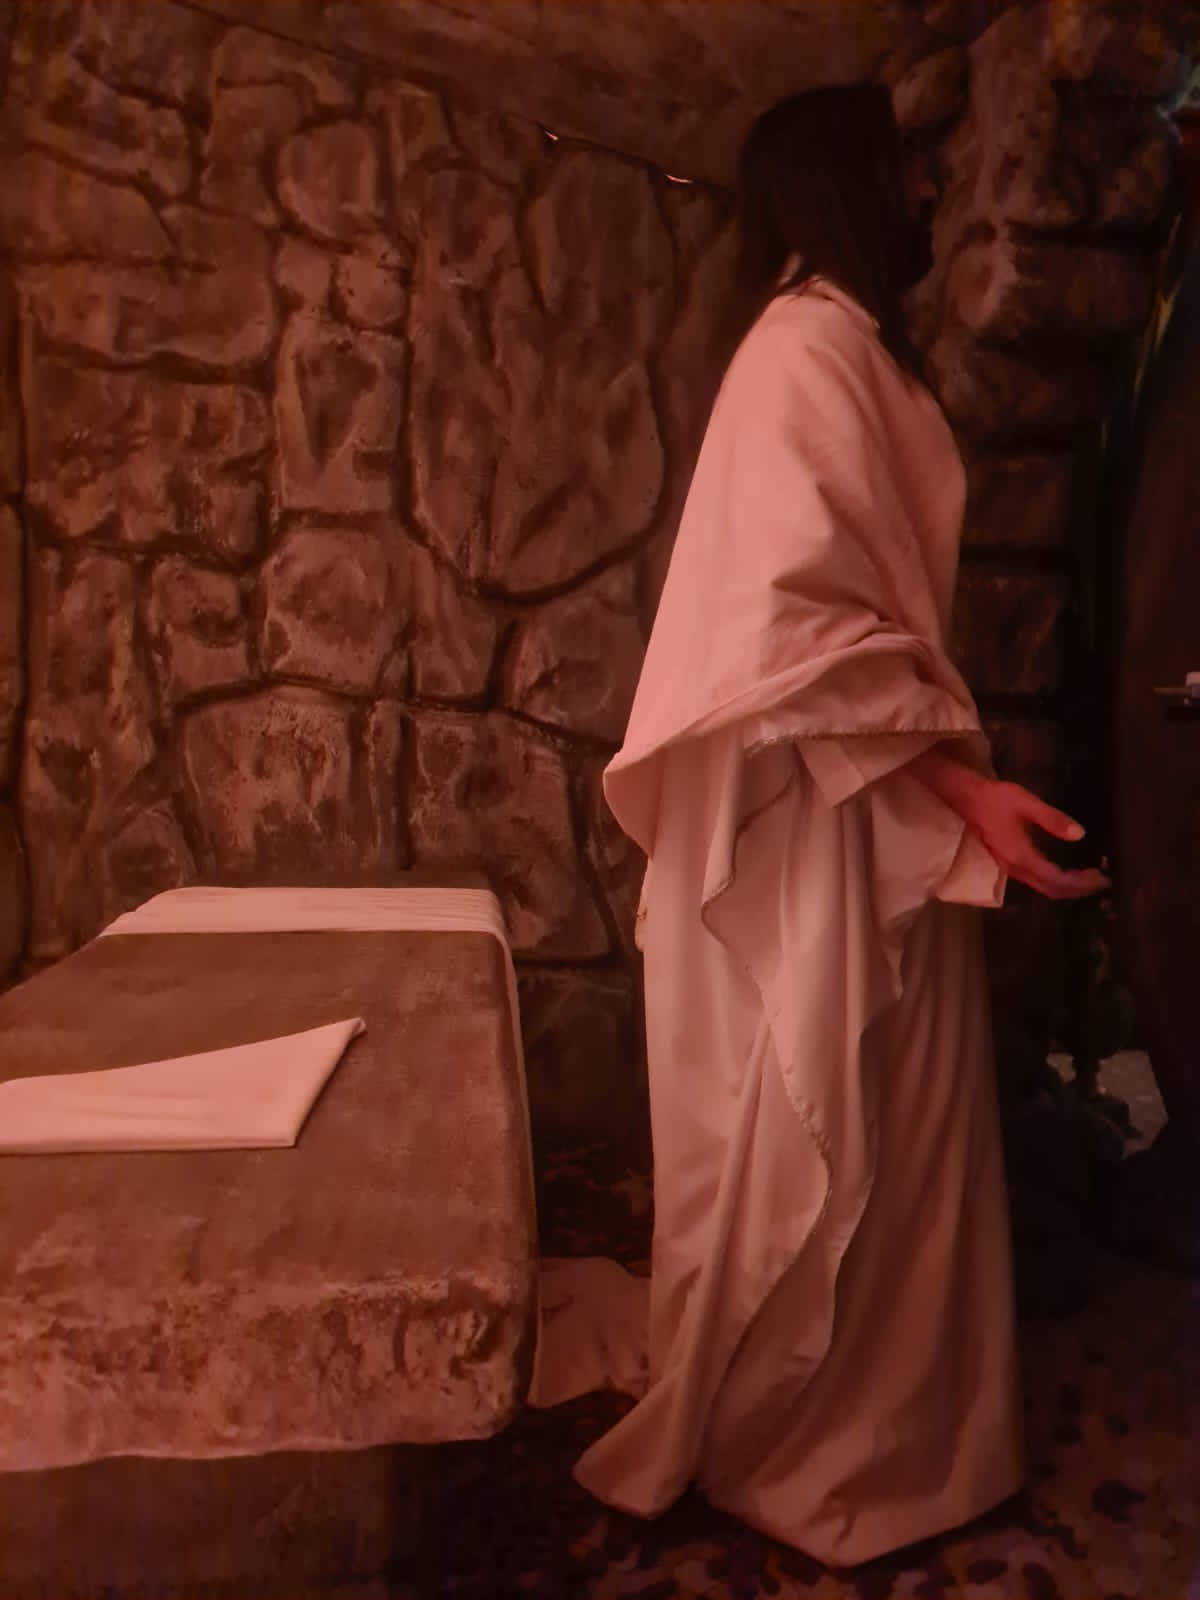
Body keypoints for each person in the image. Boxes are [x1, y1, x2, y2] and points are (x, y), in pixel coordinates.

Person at [531, 86, 1106, 1567]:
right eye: (903, 167)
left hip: (864, 806)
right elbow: (796, 641)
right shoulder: (803, 354)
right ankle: (816, 1449)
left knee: (894, 1133)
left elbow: (835, 634)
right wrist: (966, 790)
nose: (926, 193)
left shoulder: (828, 345)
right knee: (837, 1125)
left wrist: (942, 784)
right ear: (845, 181)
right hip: (815, 831)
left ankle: (898, 1443)